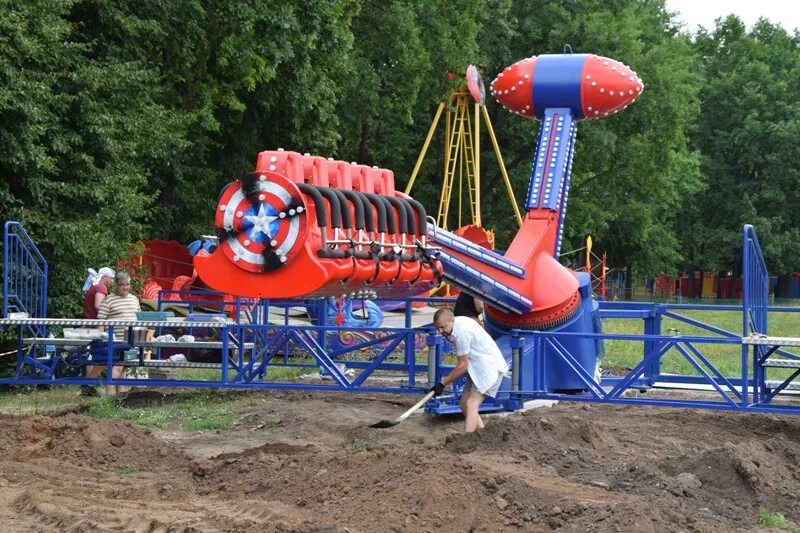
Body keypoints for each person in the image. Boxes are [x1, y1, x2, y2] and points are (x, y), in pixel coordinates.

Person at [430, 308, 509, 433]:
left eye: (442, 327)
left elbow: (462, 365)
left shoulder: (461, 333)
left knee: (471, 404)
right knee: (464, 404)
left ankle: (467, 440)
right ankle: (481, 434)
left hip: (488, 369)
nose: (440, 331)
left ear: (451, 320)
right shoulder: (459, 322)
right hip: (478, 369)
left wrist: (442, 384)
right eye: (437, 328)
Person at [95, 272, 141, 395]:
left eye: (128, 284)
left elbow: (140, 318)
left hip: (131, 340)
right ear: (116, 285)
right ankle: (109, 395)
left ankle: (120, 396)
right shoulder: (109, 299)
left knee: (123, 368)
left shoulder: (134, 299)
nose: (125, 287)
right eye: (122, 285)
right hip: (114, 341)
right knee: (118, 367)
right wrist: (102, 337)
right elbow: (101, 320)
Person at [80, 267, 115, 396]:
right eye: (111, 278)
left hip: (90, 324)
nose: (112, 281)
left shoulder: (94, 287)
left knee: (94, 356)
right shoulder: (101, 288)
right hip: (96, 326)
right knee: (103, 355)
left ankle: (89, 385)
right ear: (104, 277)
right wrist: (112, 311)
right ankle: (89, 383)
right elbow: (98, 306)